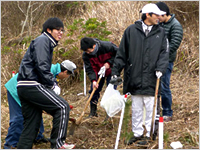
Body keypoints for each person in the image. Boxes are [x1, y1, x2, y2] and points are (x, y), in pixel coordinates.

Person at [110, 3, 169, 145]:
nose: (159, 17)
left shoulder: (161, 33)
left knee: (150, 107)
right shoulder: (131, 31)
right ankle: (137, 133)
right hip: (134, 76)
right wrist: (115, 72)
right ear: (147, 15)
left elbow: (164, 53)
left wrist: (161, 68)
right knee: (136, 107)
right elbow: (122, 53)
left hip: (152, 77)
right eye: (156, 15)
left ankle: (148, 135)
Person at [16, 17, 76, 149]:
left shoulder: (44, 42)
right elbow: (42, 66)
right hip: (31, 84)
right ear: (49, 30)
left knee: (32, 124)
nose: (60, 33)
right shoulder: (43, 40)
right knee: (62, 107)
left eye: (62, 31)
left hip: (23, 86)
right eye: (57, 30)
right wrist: (52, 83)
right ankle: (58, 144)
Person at [3, 60, 76, 149]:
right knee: (18, 118)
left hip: (28, 91)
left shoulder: (54, 72)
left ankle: (38, 137)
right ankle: (10, 144)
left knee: (36, 112)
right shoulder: (48, 71)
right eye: (68, 75)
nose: (67, 77)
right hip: (15, 89)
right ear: (65, 72)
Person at [156, 1, 183, 122]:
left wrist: (162, 56)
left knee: (164, 85)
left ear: (164, 14)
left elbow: (174, 45)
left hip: (167, 60)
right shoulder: (159, 24)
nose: (157, 18)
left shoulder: (175, 25)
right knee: (155, 86)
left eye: (159, 16)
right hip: (156, 59)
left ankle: (167, 112)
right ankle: (156, 110)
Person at [80, 37, 118, 118]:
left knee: (112, 90)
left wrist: (109, 63)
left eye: (88, 50)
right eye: (85, 51)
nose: (87, 52)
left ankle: (110, 113)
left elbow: (120, 55)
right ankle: (93, 112)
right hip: (98, 72)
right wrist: (93, 80)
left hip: (113, 70)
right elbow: (89, 69)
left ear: (94, 46)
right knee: (93, 90)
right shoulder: (86, 55)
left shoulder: (108, 46)